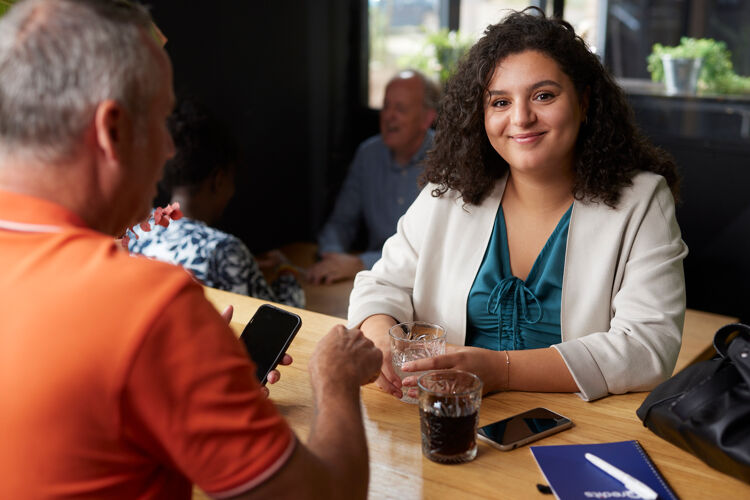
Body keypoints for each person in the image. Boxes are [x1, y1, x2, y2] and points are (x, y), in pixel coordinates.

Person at [0, 1, 381, 499]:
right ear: (111, 132)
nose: (169, 150)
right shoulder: (148, 308)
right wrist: (335, 380)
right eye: (160, 121)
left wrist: (187, 374)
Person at [348, 9, 687, 403]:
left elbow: (649, 348)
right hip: (448, 416)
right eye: (500, 102)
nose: (521, 118)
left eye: (543, 95)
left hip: (576, 427)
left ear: (585, 100)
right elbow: (381, 284)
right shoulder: (450, 193)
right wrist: (379, 338)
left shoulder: (643, 200)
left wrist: (501, 371)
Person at [128, 98, 305, 308]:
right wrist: (287, 271)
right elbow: (282, 322)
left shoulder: (137, 229)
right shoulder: (223, 250)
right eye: (231, 181)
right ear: (218, 180)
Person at [307, 69, 439, 284]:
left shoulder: (448, 159)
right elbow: (341, 222)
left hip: (424, 284)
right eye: (386, 106)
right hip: (373, 282)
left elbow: (432, 252)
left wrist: (361, 263)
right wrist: (332, 255)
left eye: (401, 109)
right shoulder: (368, 154)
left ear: (427, 118)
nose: (388, 116)